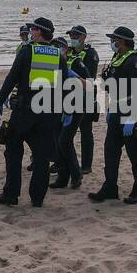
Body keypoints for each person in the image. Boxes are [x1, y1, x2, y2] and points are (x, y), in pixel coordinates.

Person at [0, 17, 70, 207]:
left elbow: (12, 76)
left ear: (39, 31)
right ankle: (37, 198)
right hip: (48, 112)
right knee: (42, 156)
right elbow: (65, 84)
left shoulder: (28, 51)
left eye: (33, 29)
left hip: (25, 112)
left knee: (12, 150)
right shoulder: (58, 54)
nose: (30, 32)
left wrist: (0, 100)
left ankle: (11, 194)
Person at [89, 26, 137, 204]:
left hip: (130, 111)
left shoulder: (134, 60)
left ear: (121, 41)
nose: (111, 42)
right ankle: (110, 187)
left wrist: (131, 119)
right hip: (115, 109)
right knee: (110, 151)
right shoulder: (118, 57)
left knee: (135, 154)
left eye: (113, 39)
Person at [51, 24, 99, 188]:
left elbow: (90, 83)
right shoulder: (65, 57)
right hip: (61, 103)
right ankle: (63, 175)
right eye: (71, 36)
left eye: (76, 36)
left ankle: (82, 169)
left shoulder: (87, 56)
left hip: (80, 102)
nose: (73, 39)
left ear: (83, 37)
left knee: (81, 135)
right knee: (61, 140)